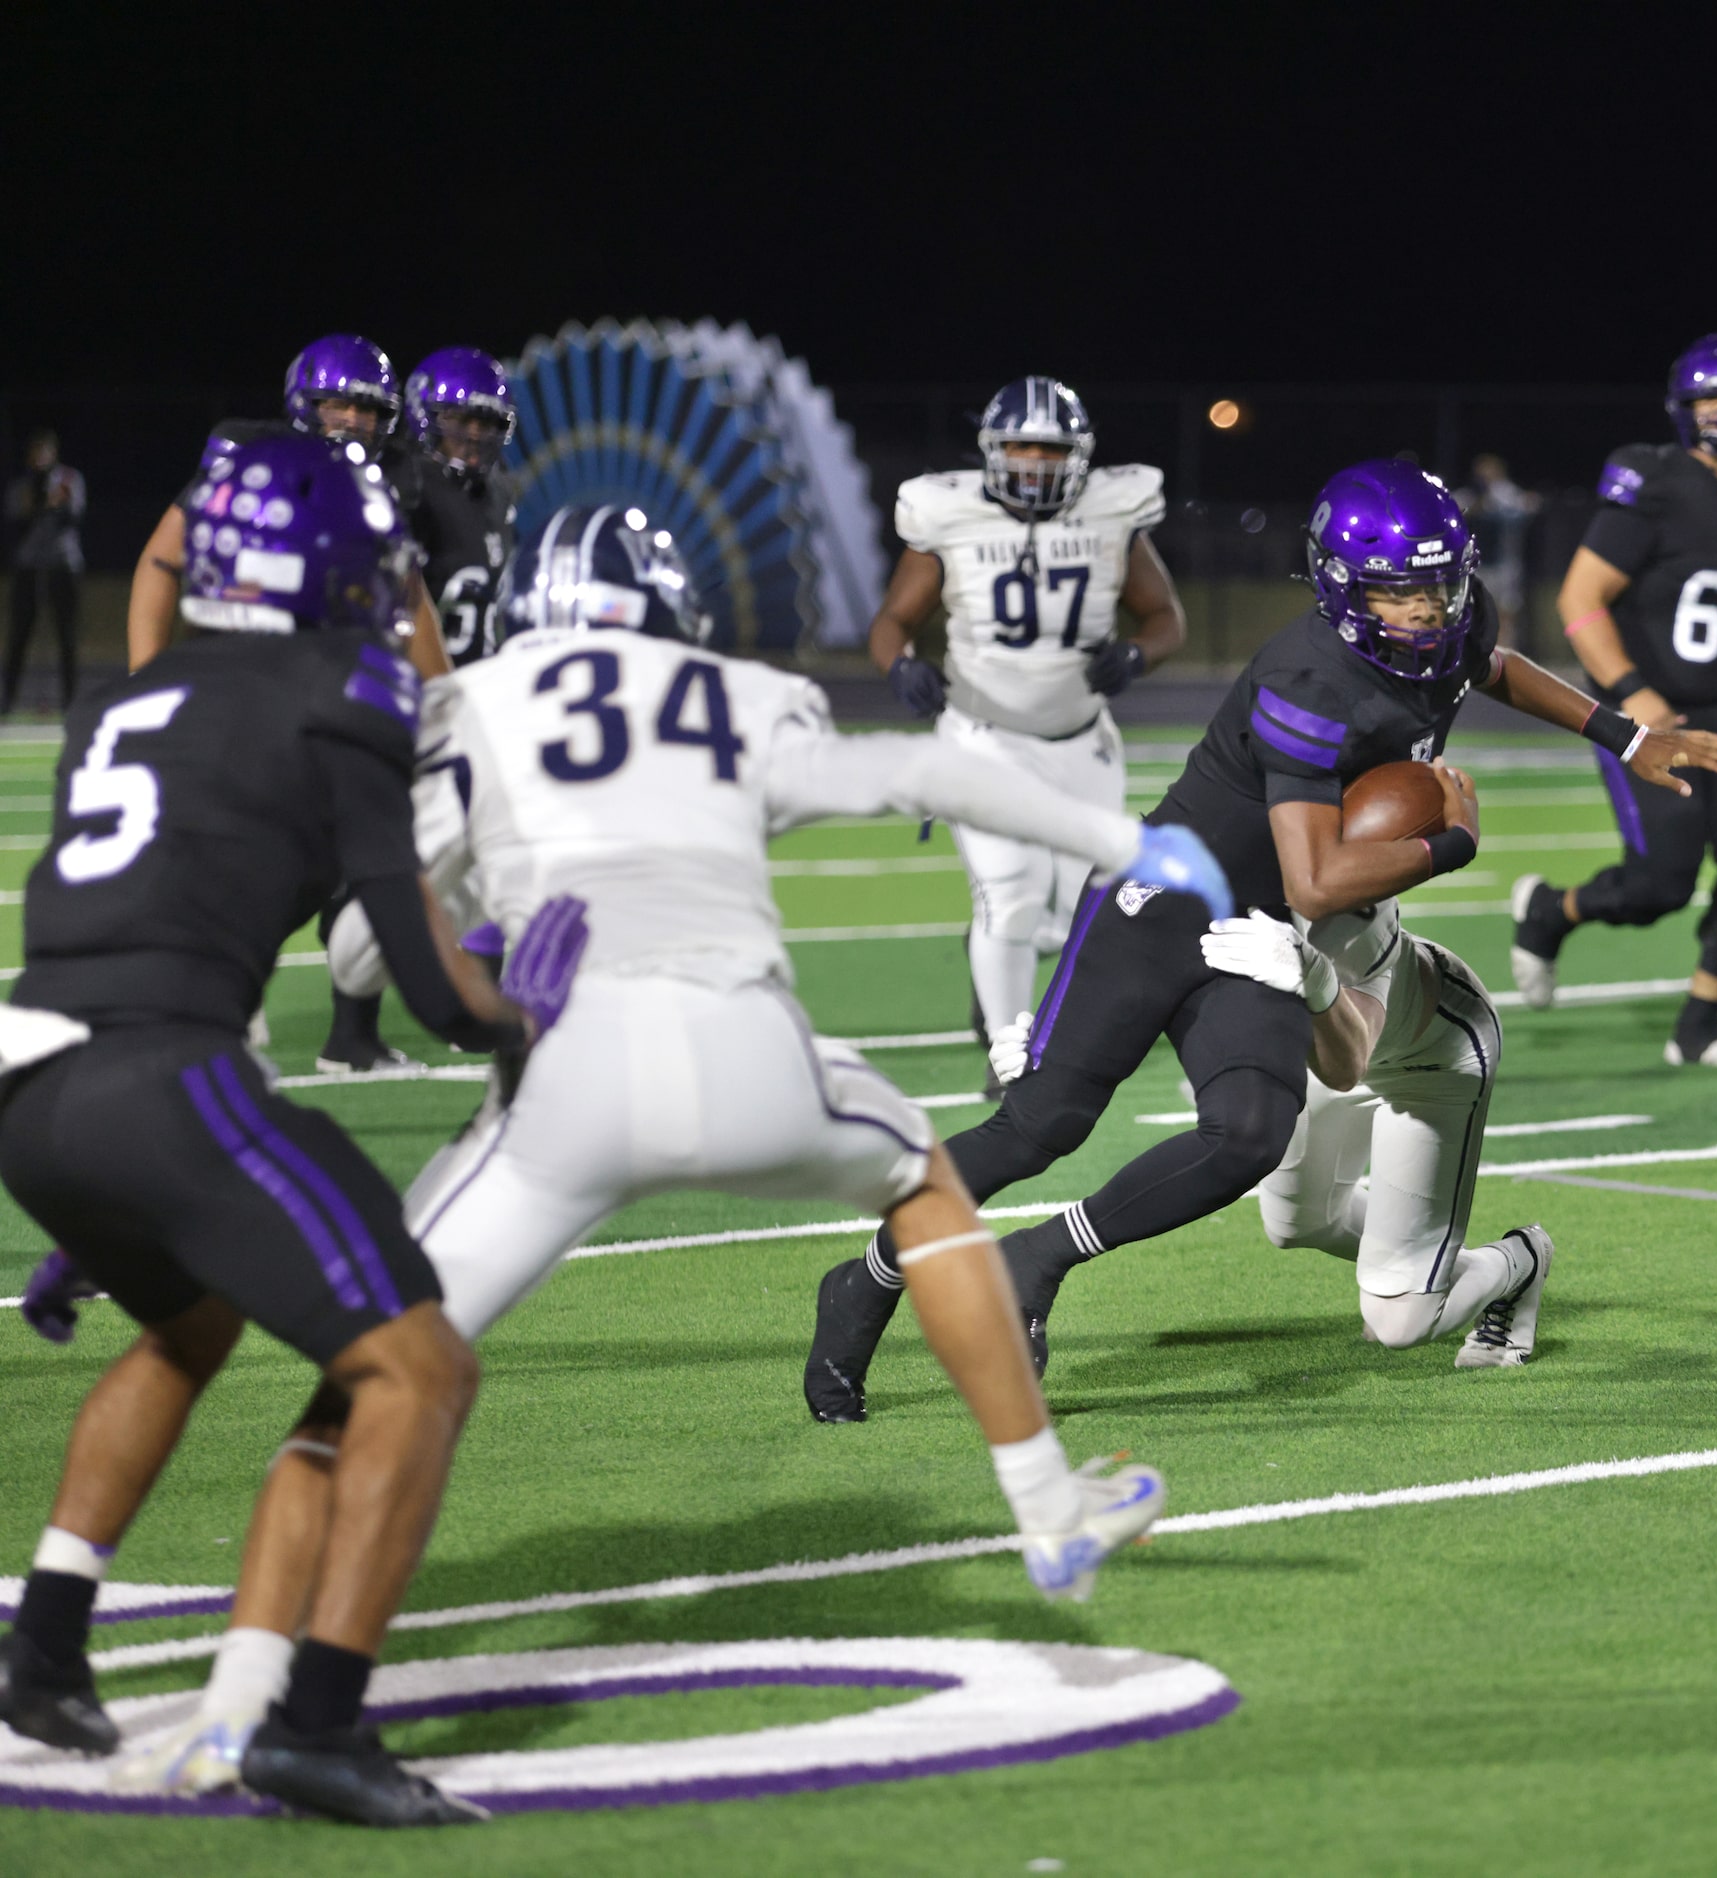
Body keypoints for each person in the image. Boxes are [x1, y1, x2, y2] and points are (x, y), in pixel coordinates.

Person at [110, 500, 1226, 1803]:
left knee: (362, 1379)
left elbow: (364, 945)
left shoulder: (467, 703)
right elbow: (923, 772)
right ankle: (1048, 1505)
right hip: (746, 1048)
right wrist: (1126, 839)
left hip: (562, 1085)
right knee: (924, 1175)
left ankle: (246, 1702)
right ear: (669, 608)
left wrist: (479, 936)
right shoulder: (736, 693)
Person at [803, 460, 1717, 1407]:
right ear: (1342, 584)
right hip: (1163, 901)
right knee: (1042, 1124)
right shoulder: (1309, 678)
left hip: (1257, 931)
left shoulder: (1453, 618)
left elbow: (1490, 665)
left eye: (1441, 581)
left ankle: (1040, 1259)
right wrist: (1451, 843)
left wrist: (1620, 734)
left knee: (1249, 1133)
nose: (1428, 607)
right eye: (1400, 588)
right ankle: (864, 1287)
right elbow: (1318, 876)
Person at [0, 434, 547, 1824]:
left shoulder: (121, 703)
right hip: (160, 1080)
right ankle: (317, 1725)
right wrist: (515, 1025)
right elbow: (419, 971)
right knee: (417, 1370)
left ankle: (46, 1641)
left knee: (190, 1321)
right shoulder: (342, 687)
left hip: (33, 1084)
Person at [993, 899, 1552, 1365]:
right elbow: (1141, 978)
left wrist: (1315, 976)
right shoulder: (1216, 859)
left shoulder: (1351, 895)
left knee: (1398, 1322)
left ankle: (1516, 1261)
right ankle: (1415, 1263)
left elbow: (1348, 1060)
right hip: (1322, 1048)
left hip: (1428, 1057)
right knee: (1296, 1223)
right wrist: (1049, 1044)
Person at [1509, 335, 1717, 1066]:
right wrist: (1631, 695)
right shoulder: (1652, 483)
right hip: (1648, 709)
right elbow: (1581, 599)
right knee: (1660, 884)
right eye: (1710, 400)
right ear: (1685, 409)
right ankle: (1552, 911)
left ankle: (1699, 1024)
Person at [871, 377, 1185, 1073]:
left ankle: (1048, 1015)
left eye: (1050, 449)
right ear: (992, 450)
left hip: (1082, 740)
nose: (1036, 463)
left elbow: (1166, 619)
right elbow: (893, 621)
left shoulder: (1110, 514)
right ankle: (1012, 1054)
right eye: (1022, 446)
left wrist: (1135, 655)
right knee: (1010, 897)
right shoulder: (948, 514)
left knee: (1087, 909)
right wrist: (901, 668)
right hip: (983, 739)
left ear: (1079, 455)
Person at [314, 347, 523, 1075]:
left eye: (484, 423)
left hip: (476, 693)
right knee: (378, 863)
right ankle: (355, 1028)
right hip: (408, 697)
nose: (470, 436)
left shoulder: (498, 495)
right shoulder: (399, 482)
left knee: (487, 856)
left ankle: (470, 1018)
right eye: (457, 421)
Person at [125, 337, 436, 679]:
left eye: (368, 409)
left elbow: (409, 595)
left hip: (333, 675)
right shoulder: (254, 459)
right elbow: (162, 559)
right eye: (336, 404)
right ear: (304, 403)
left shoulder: (389, 479)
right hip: (234, 665)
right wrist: (144, 674)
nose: (353, 420)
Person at [4, 431, 85, 714]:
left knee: (66, 635)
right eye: (36, 453)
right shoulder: (21, 485)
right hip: (29, 565)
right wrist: (37, 502)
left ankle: (71, 701)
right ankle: (8, 700)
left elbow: (74, 516)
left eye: (45, 452)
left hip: (63, 565)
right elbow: (16, 521)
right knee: (19, 635)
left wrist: (57, 504)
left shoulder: (69, 480)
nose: (41, 459)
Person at [1456, 453, 1542, 628]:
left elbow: (1530, 505)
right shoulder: (1470, 494)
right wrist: (1474, 508)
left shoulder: (1507, 493)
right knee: (1475, 610)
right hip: (1476, 564)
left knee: (1506, 612)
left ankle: (1505, 650)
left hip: (1505, 564)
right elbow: (1455, 505)